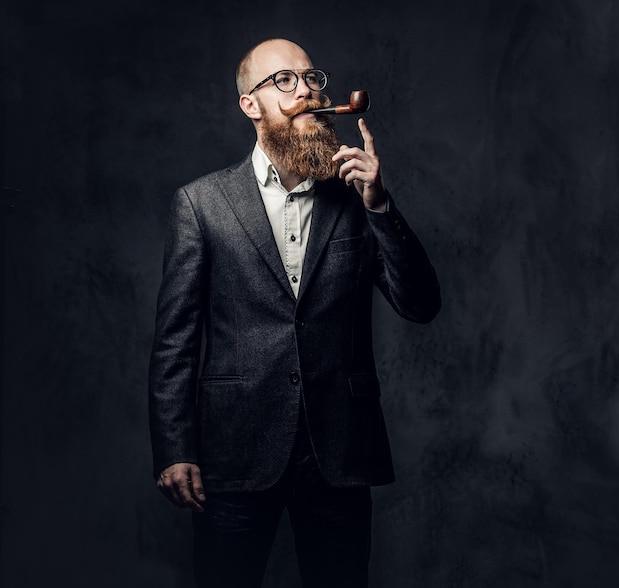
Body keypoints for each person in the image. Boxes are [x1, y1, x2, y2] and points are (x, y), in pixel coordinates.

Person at [149, 38, 441, 588]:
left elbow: (421, 305)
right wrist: (174, 448)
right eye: (284, 80)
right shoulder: (201, 204)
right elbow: (175, 342)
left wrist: (379, 205)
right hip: (233, 452)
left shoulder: (357, 196)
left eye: (311, 79)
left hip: (339, 452)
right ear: (250, 105)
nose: (306, 91)